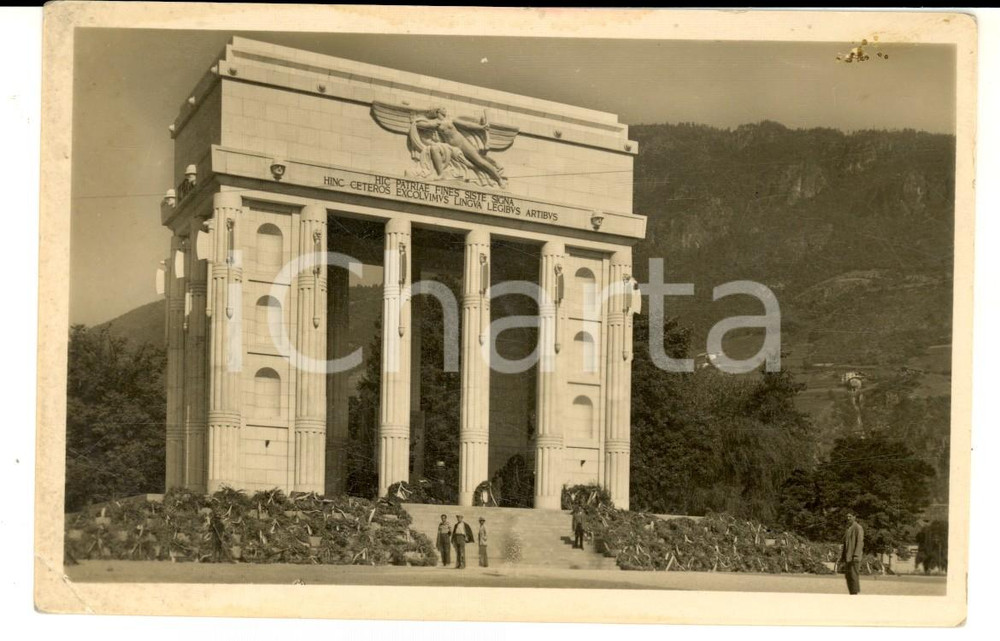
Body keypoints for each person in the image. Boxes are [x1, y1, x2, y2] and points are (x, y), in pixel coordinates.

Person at [838, 511, 865, 595]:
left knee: (853, 575)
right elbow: (845, 544)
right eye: (847, 516)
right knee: (848, 576)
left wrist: (856, 555)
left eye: (850, 516)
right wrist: (843, 557)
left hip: (854, 557)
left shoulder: (858, 528)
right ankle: (851, 593)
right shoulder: (848, 529)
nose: (848, 518)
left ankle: (855, 594)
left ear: (854, 517)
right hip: (848, 556)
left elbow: (860, 542)